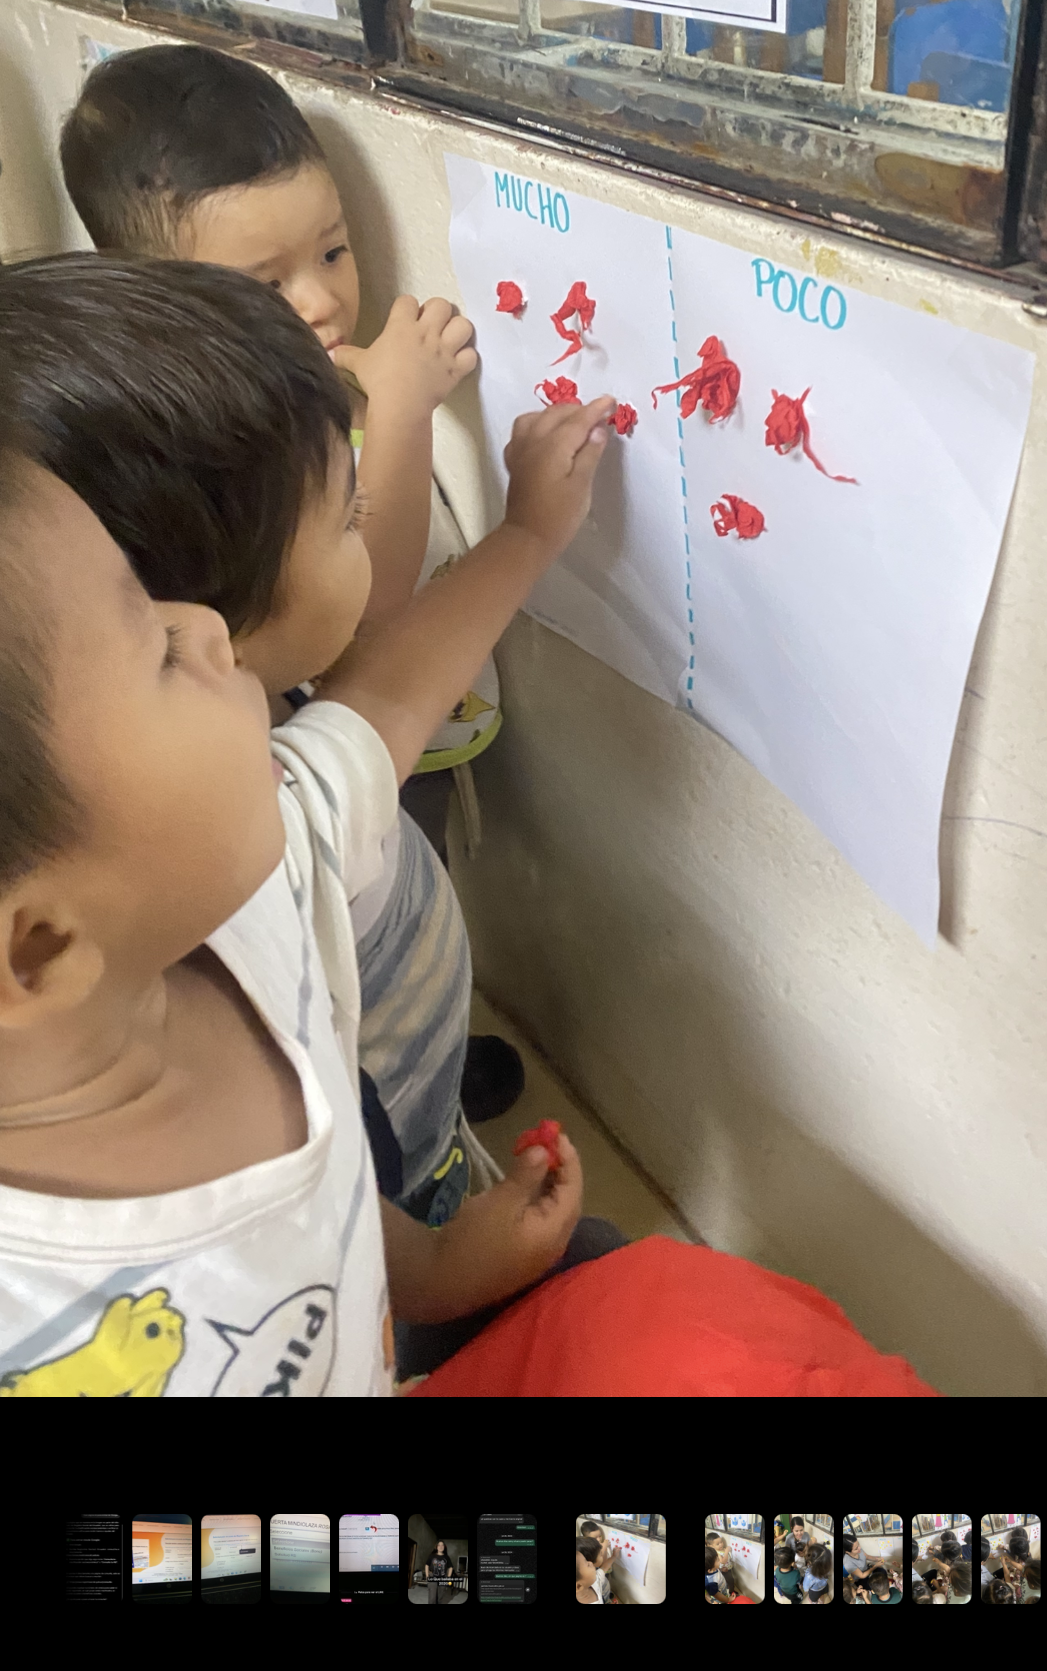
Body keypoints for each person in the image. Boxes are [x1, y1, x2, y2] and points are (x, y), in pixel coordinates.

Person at [0, 333, 617, 1395]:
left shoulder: (235, 886)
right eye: (157, 648)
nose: (209, 626)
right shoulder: (45, 1334)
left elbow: (382, 700)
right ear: (41, 948)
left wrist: (430, 1268)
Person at [58, 44, 507, 891]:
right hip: (341, 774)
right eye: (266, 287)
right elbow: (368, 605)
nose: (322, 301)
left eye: (333, 251)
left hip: (418, 728)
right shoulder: (219, 442)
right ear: (158, 299)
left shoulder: (313, 380)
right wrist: (403, 409)